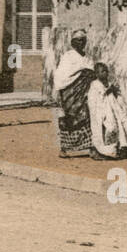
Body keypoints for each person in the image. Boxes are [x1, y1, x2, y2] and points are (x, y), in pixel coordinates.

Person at [51, 29, 97, 158]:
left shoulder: (87, 57)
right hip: (70, 94)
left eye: (83, 40)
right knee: (69, 119)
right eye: (78, 40)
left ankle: (91, 147)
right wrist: (81, 73)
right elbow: (60, 76)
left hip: (84, 94)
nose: (81, 43)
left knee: (87, 117)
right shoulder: (68, 56)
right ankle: (65, 148)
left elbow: (92, 72)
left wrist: (88, 74)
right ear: (72, 42)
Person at [86, 62, 127, 158]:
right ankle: (107, 151)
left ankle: (126, 148)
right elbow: (93, 101)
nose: (105, 73)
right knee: (110, 128)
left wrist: (114, 92)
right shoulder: (94, 85)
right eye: (102, 71)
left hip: (115, 110)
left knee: (126, 125)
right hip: (104, 112)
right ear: (97, 74)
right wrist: (106, 93)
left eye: (106, 71)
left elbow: (117, 97)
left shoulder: (110, 84)